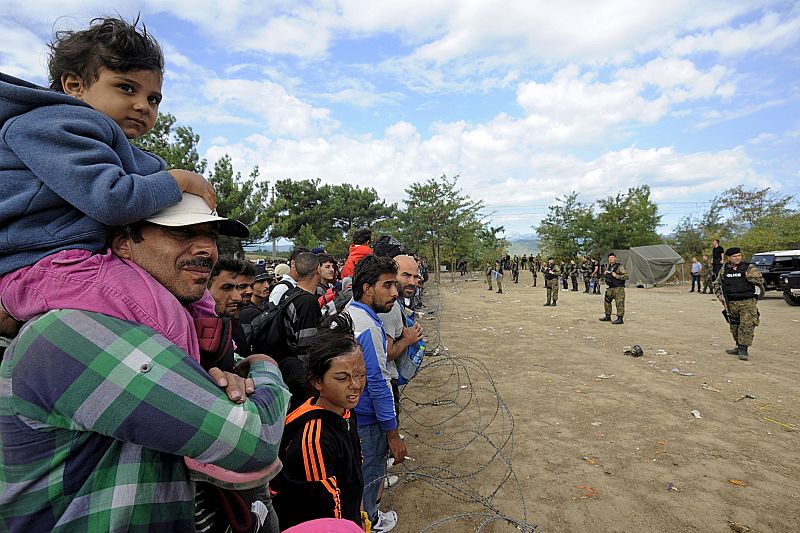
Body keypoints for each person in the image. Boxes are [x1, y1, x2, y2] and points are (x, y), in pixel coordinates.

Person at [0, 195, 290, 531]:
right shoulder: (73, 330)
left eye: (211, 236)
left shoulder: (174, 324)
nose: (207, 250)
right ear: (123, 242)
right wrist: (263, 364)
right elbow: (256, 441)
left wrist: (227, 375)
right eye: (182, 232)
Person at [0, 17, 218, 358]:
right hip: (34, 264)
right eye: (127, 88)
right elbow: (112, 200)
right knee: (159, 313)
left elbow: (142, 171)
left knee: (198, 299)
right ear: (74, 85)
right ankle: (188, 382)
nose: (143, 105)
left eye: (153, 98)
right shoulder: (53, 125)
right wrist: (177, 180)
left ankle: (217, 354)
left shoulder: (104, 140)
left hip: (75, 258)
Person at [271, 313, 366, 530]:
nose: (355, 385)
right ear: (317, 381)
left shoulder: (346, 411)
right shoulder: (315, 440)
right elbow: (324, 514)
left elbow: (354, 474)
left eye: (360, 374)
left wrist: (359, 514)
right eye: (342, 378)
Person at [345, 255, 406, 533]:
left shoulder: (351, 312)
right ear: (367, 288)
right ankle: (369, 521)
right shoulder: (368, 327)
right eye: (387, 285)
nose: (394, 293)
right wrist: (392, 434)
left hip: (353, 413)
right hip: (368, 419)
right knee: (370, 473)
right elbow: (378, 384)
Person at [713, 247, 764, 361]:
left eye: (739, 255)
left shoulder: (749, 268)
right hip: (731, 303)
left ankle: (743, 348)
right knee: (734, 326)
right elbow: (717, 284)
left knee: (746, 326)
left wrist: (750, 277)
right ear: (729, 258)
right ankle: (738, 345)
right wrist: (721, 299)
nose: (737, 258)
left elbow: (760, 282)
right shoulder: (725, 269)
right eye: (734, 256)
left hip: (747, 302)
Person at [599, 252, 628, 324]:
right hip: (610, 288)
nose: (610, 259)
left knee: (619, 303)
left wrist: (616, 275)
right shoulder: (609, 266)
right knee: (607, 301)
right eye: (609, 258)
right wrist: (605, 274)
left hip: (618, 288)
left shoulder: (619, 267)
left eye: (612, 257)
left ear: (615, 258)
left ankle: (620, 318)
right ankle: (607, 316)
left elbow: (626, 276)